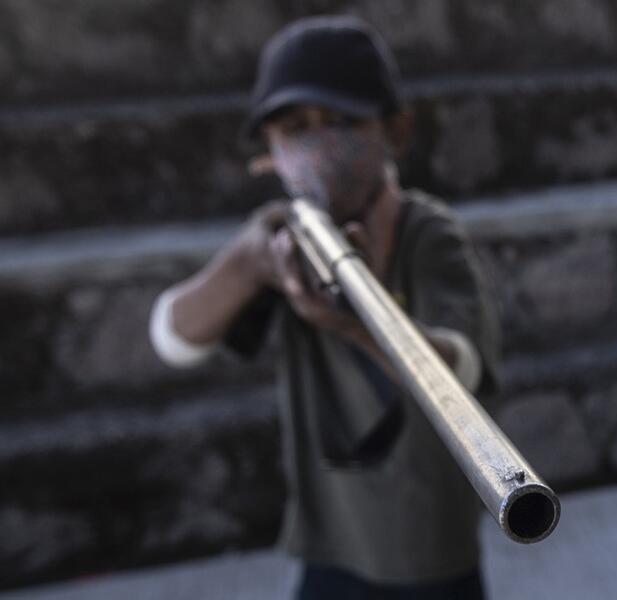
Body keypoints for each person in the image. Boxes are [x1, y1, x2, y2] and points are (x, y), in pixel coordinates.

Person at [149, 15, 499, 600]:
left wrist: (359, 324)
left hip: (429, 549)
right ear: (270, 151)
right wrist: (250, 265)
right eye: (295, 127)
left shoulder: (427, 233)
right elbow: (174, 339)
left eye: (342, 122)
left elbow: (462, 375)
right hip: (331, 546)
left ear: (397, 132)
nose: (319, 144)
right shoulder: (275, 239)